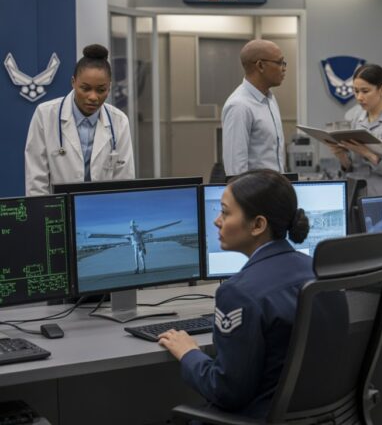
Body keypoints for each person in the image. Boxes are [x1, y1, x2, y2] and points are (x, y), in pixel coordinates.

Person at [158, 169, 313, 419]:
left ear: (258, 225)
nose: (216, 221)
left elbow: (226, 391)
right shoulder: (316, 270)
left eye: (225, 212)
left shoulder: (238, 293)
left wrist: (189, 353)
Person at [24, 44, 135, 196]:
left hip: (104, 206)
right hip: (59, 207)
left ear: (109, 88)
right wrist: (46, 210)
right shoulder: (45, 115)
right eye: (86, 88)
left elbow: (125, 182)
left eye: (101, 90)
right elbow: (36, 182)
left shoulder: (120, 122)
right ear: (73, 82)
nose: (93, 97)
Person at [326, 64, 382, 197]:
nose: (359, 97)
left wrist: (367, 153)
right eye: (356, 91)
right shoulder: (355, 120)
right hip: (356, 195)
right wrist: (341, 155)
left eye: (365, 91)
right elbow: (351, 168)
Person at [222, 39, 287, 175]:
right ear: (260, 66)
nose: (284, 68)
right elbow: (236, 172)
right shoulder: (239, 106)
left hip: (275, 186)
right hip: (255, 189)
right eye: (280, 62)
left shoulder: (270, 99)